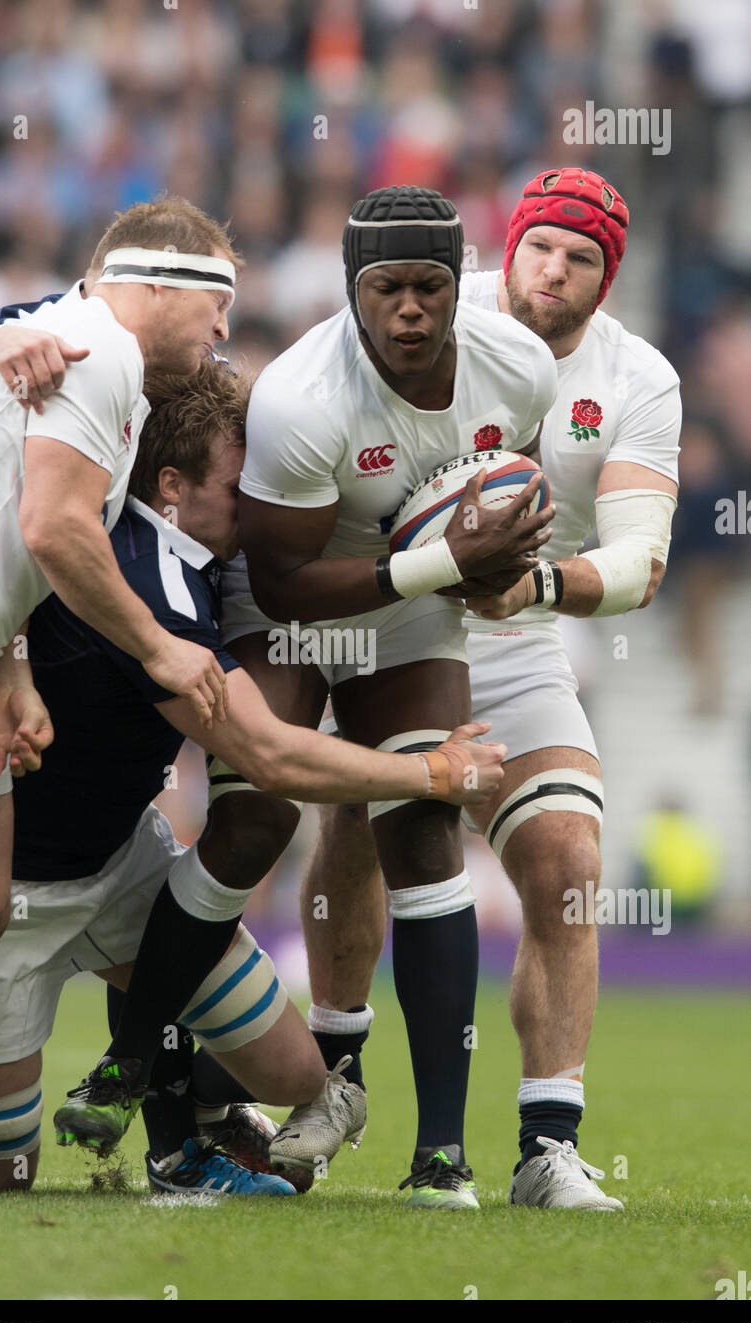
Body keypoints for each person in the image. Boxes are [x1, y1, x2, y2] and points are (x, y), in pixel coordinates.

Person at [0, 361, 503, 1196]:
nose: (256, 500)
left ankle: (180, 1133)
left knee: (297, 1079)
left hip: (123, 868)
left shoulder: (200, 549)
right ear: (171, 485)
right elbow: (270, 757)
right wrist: (435, 770)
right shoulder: (148, 579)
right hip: (6, 890)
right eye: (235, 483)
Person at [156, 184, 558, 1209]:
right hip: (292, 601)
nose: (412, 309)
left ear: (460, 286)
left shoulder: (518, 362)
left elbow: (517, 492)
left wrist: (490, 560)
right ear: (352, 290)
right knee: (253, 821)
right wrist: (442, 562)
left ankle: (440, 1161)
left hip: (407, 601)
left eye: (430, 285)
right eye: (389, 289)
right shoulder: (301, 396)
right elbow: (286, 580)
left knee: (423, 831)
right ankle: (161, 1073)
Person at [299, 168, 681, 1210]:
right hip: (386, 619)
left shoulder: (636, 378)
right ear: (503, 251)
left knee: (567, 859)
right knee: (360, 824)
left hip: (516, 634)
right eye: (539, 248)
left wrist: (536, 583)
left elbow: (642, 560)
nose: (552, 272)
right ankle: (333, 1080)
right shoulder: (423, 306)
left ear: (607, 281)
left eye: (580, 259)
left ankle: (545, 1144)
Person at [0, 196, 238, 1037]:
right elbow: (52, 528)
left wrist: (11, 659)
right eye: (217, 302)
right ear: (158, 284)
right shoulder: (101, 351)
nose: (224, 329)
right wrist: (160, 648)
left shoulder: (86, 347)